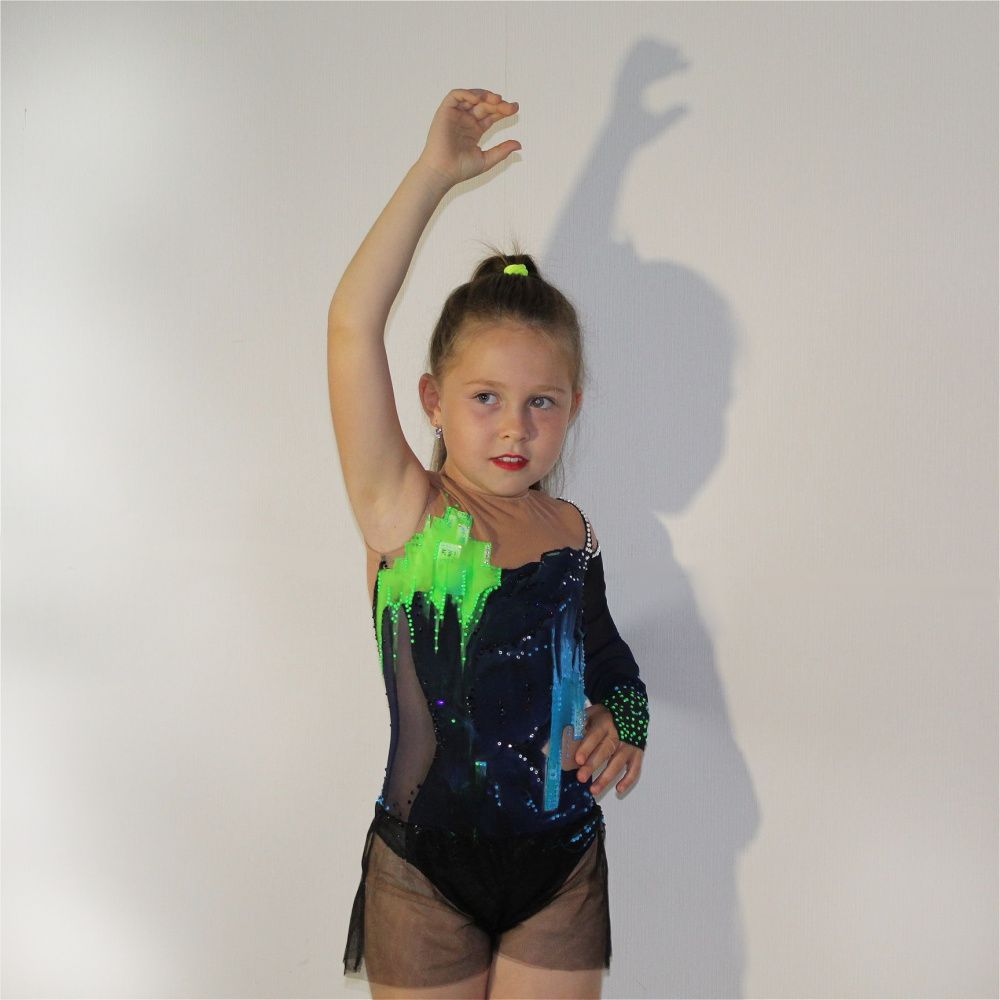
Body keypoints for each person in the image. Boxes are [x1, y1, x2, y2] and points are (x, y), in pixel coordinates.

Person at [327, 88, 649, 1000]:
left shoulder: (571, 531)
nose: (515, 426)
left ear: (572, 408)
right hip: (425, 872)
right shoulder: (406, 513)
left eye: (541, 401)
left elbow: (611, 661)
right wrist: (434, 175)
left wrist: (623, 721)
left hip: (563, 864)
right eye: (485, 398)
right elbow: (350, 326)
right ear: (432, 400)